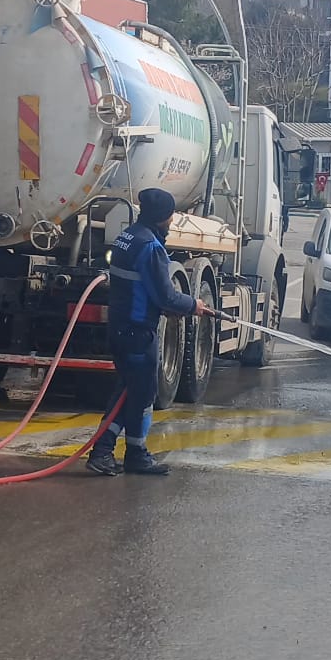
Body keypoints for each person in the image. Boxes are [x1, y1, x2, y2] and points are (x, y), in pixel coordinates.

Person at [87, 188, 213, 477]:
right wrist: (193, 305)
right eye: (170, 216)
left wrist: (165, 306)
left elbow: (141, 288)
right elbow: (166, 295)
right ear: (161, 217)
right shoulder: (150, 247)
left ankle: (114, 452)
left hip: (121, 328)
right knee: (142, 394)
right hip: (138, 332)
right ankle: (122, 453)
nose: (172, 221)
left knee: (128, 391)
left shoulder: (127, 237)